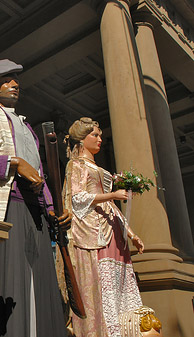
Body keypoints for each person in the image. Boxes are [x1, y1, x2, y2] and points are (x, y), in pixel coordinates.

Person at [0, 59, 69, 337]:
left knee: (43, 287)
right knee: (9, 282)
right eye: (6, 80)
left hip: (38, 213)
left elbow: (40, 173)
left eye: (15, 80)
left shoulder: (28, 128)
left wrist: (53, 209)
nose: (15, 85)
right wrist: (13, 163)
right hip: (6, 206)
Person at [63, 117, 145, 337]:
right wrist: (112, 194)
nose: (100, 139)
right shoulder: (77, 165)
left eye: (100, 135)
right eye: (95, 135)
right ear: (81, 138)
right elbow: (77, 198)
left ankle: (124, 328)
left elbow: (111, 205)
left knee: (119, 281)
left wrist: (131, 233)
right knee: (101, 283)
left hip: (112, 229)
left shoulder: (97, 168)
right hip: (93, 228)